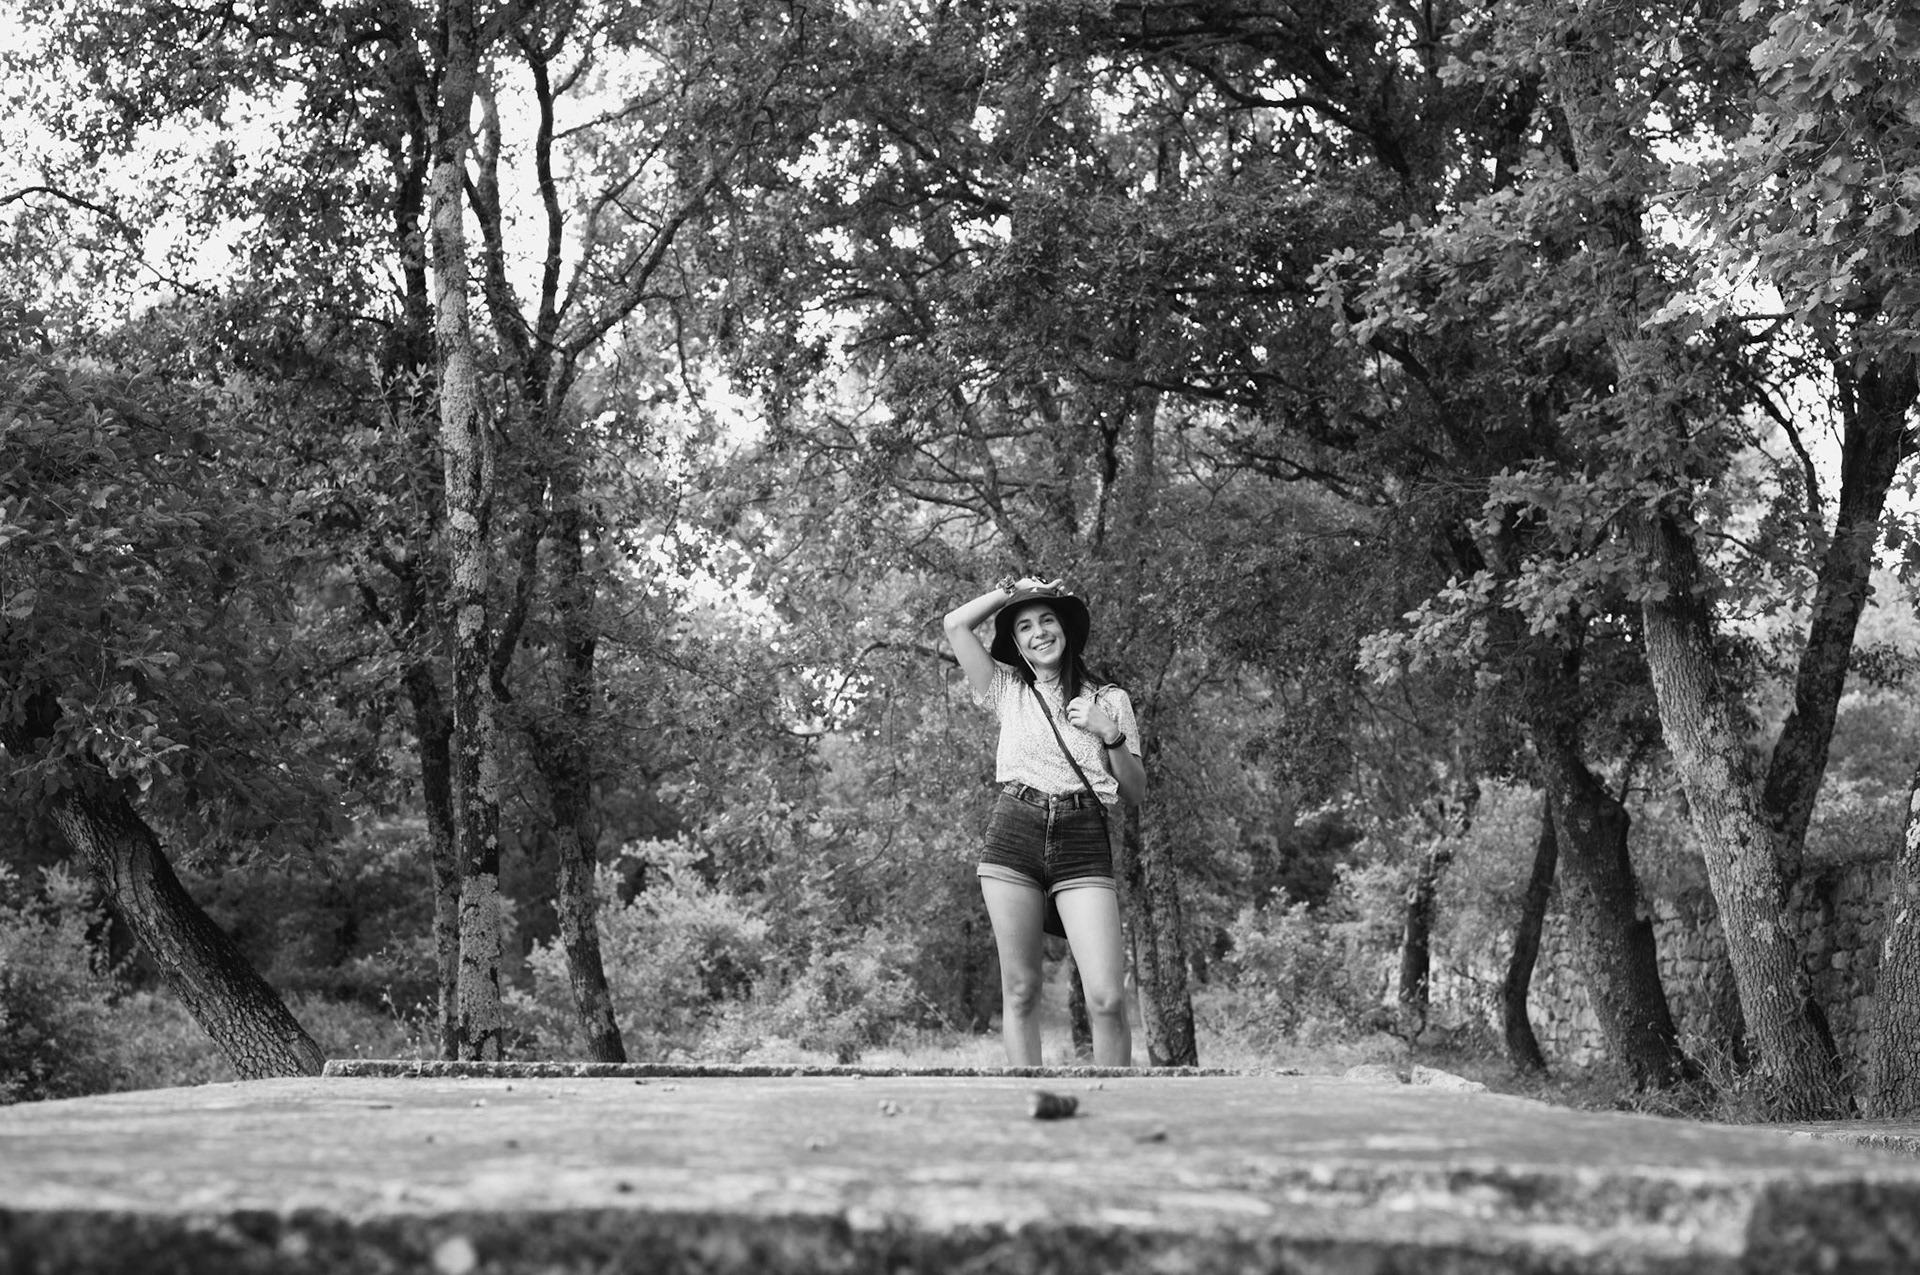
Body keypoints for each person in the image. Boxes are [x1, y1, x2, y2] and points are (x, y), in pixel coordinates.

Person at [942, 575, 1146, 1066]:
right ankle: (1030, 1105)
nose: (1039, 633)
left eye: (1047, 620)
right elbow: (955, 625)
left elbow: (1136, 792)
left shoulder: (1110, 700)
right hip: (1015, 831)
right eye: (1025, 626)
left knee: (1107, 999)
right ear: (1017, 643)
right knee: (1021, 991)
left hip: (1083, 837)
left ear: (1065, 629)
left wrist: (1110, 733)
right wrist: (1011, 591)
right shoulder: (1006, 688)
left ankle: (1113, 1108)